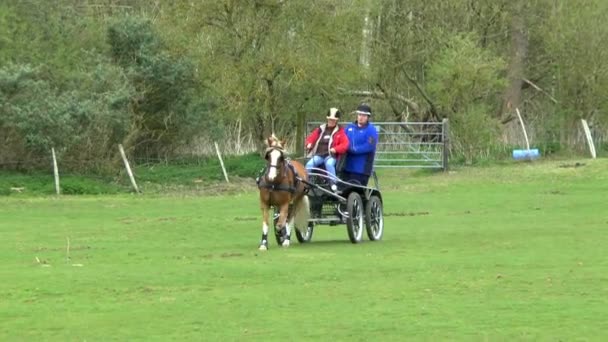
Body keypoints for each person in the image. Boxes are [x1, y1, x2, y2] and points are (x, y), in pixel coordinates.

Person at [305, 107, 349, 191]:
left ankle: (333, 183)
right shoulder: (320, 129)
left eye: (333, 120)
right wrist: (309, 144)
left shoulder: (340, 131)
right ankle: (307, 183)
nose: (331, 121)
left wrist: (335, 149)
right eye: (330, 120)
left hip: (331, 155)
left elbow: (345, 144)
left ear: (336, 121)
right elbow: (311, 138)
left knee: (329, 164)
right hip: (319, 155)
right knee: (309, 165)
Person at [342, 103, 378, 186]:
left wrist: (353, 149)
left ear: (368, 117)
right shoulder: (349, 128)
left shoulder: (371, 130)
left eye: (364, 115)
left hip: (361, 170)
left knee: (356, 195)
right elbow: (342, 140)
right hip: (347, 167)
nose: (361, 117)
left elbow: (369, 146)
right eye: (359, 115)